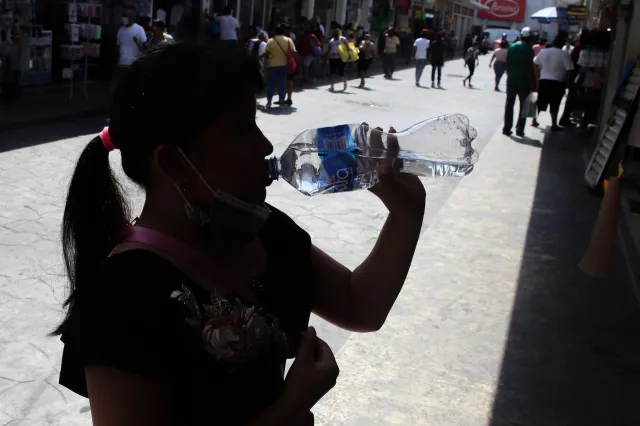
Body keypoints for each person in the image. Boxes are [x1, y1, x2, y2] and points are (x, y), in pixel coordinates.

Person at [54, 41, 425, 426]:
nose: (264, 145)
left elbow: (357, 304)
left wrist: (405, 212)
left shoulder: (265, 230)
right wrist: (290, 406)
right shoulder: (123, 296)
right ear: (173, 162)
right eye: (240, 129)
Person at [532, 35, 574, 131]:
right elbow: (570, 70)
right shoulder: (564, 54)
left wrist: (537, 76)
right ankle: (554, 125)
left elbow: (535, 63)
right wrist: (568, 83)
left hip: (544, 81)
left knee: (540, 102)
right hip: (558, 82)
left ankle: (534, 120)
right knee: (555, 104)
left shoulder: (543, 52)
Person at [502, 27, 536, 137]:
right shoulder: (528, 49)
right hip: (524, 82)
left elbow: (507, 64)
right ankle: (519, 129)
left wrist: (510, 75)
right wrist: (533, 82)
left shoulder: (511, 47)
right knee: (524, 106)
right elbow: (531, 68)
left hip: (511, 80)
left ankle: (506, 128)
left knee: (509, 105)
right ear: (529, 38)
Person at [113, 6, 147, 93]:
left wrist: (138, 42)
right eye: (124, 15)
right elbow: (118, 46)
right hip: (121, 66)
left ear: (132, 17)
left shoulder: (139, 29)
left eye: (127, 16)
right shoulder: (120, 30)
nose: (124, 18)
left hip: (134, 66)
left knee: (132, 91)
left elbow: (145, 49)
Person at [265, 24, 295, 107]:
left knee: (271, 83)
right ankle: (282, 101)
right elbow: (293, 52)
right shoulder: (288, 40)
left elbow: (267, 53)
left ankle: (269, 101)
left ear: (275, 31)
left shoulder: (270, 41)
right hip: (284, 65)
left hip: (272, 65)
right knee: (282, 83)